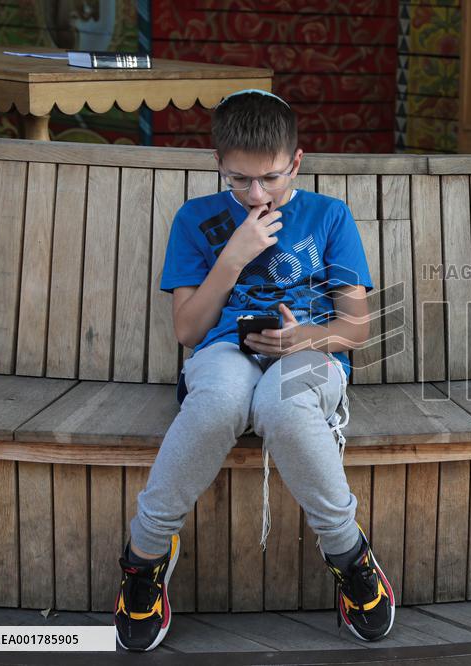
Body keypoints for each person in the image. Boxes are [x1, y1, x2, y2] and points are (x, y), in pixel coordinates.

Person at [113, 89, 394, 651]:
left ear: (296, 162)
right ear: (218, 163)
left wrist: (305, 338)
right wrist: (233, 256)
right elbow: (188, 331)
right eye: (239, 180)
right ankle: (143, 558)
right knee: (217, 403)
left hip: (310, 351)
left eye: (269, 178)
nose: (254, 194)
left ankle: (349, 553)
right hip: (223, 351)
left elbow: (358, 328)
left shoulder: (329, 217)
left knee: (283, 407)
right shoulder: (197, 220)